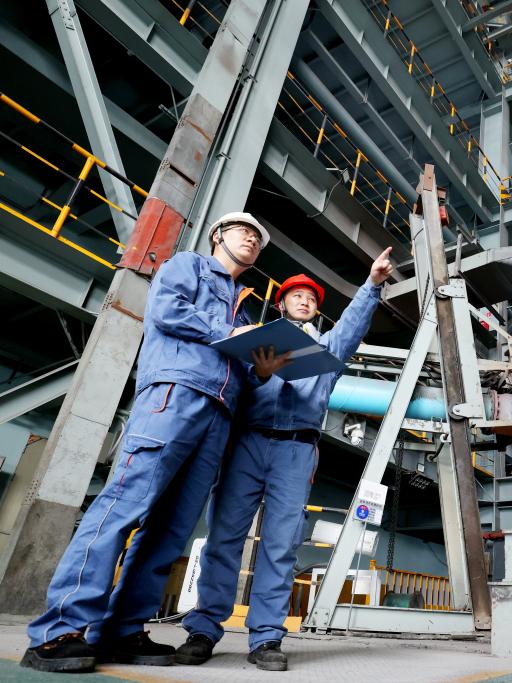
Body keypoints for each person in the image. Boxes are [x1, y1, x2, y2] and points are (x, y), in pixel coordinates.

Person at [22, 213, 273, 674]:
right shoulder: (189, 267)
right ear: (218, 235)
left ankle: (121, 630)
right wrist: (228, 334)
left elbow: (238, 365)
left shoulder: (244, 310)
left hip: (218, 417)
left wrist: (260, 369)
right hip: (175, 395)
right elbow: (166, 311)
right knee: (123, 506)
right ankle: (59, 630)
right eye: (245, 231)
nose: (253, 239)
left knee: (171, 530)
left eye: (259, 238)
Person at [176, 248, 393, 672]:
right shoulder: (254, 341)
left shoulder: (327, 351)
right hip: (247, 443)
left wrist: (372, 284)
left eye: (311, 299)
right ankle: (202, 630)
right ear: (281, 304)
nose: (305, 301)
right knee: (224, 538)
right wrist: (260, 373)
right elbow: (231, 385)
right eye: (297, 296)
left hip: (296, 449)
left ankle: (266, 637)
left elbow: (351, 325)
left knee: (281, 544)